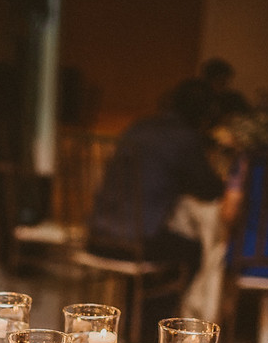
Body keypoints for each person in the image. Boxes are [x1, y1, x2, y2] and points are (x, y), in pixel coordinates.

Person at [88, 78, 225, 265]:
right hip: (136, 243)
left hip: (96, 237)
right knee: (195, 250)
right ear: (205, 116)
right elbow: (209, 191)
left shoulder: (138, 127)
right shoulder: (185, 138)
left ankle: (137, 293)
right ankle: (160, 295)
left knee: (164, 236)